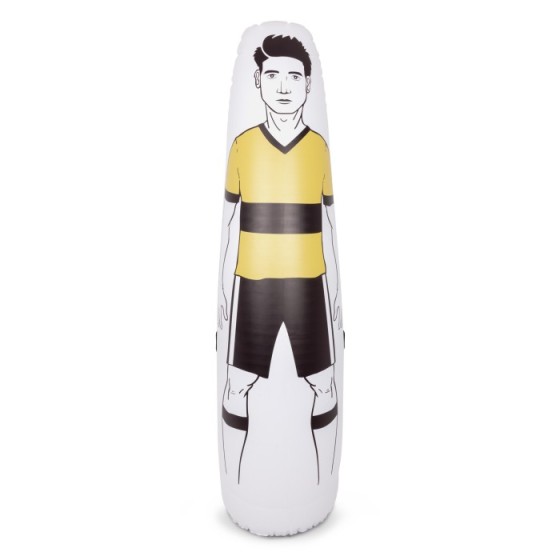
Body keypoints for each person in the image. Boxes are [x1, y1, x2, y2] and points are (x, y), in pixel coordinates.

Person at [218, 34, 342, 484]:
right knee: (237, 384)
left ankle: (320, 482)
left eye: (294, 76)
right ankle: (236, 482)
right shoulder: (243, 145)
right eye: (272, 75)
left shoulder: (318, 147)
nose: (284, 86)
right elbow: (230, 224)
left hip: (309, 285)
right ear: (257, 81)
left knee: (324, 384)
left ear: (308, 84)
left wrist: (334, 295)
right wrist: (224, 292)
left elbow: (328, 226)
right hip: (253, 286)